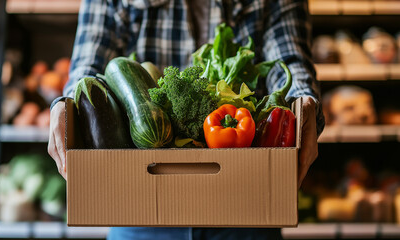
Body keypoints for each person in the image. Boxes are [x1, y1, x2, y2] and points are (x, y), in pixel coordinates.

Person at [48, 0, 325, 239]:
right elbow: (90, 64)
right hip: (139, 205)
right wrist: (68, 104)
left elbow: (288, 59)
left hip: (247, 203)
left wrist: (303, 103)